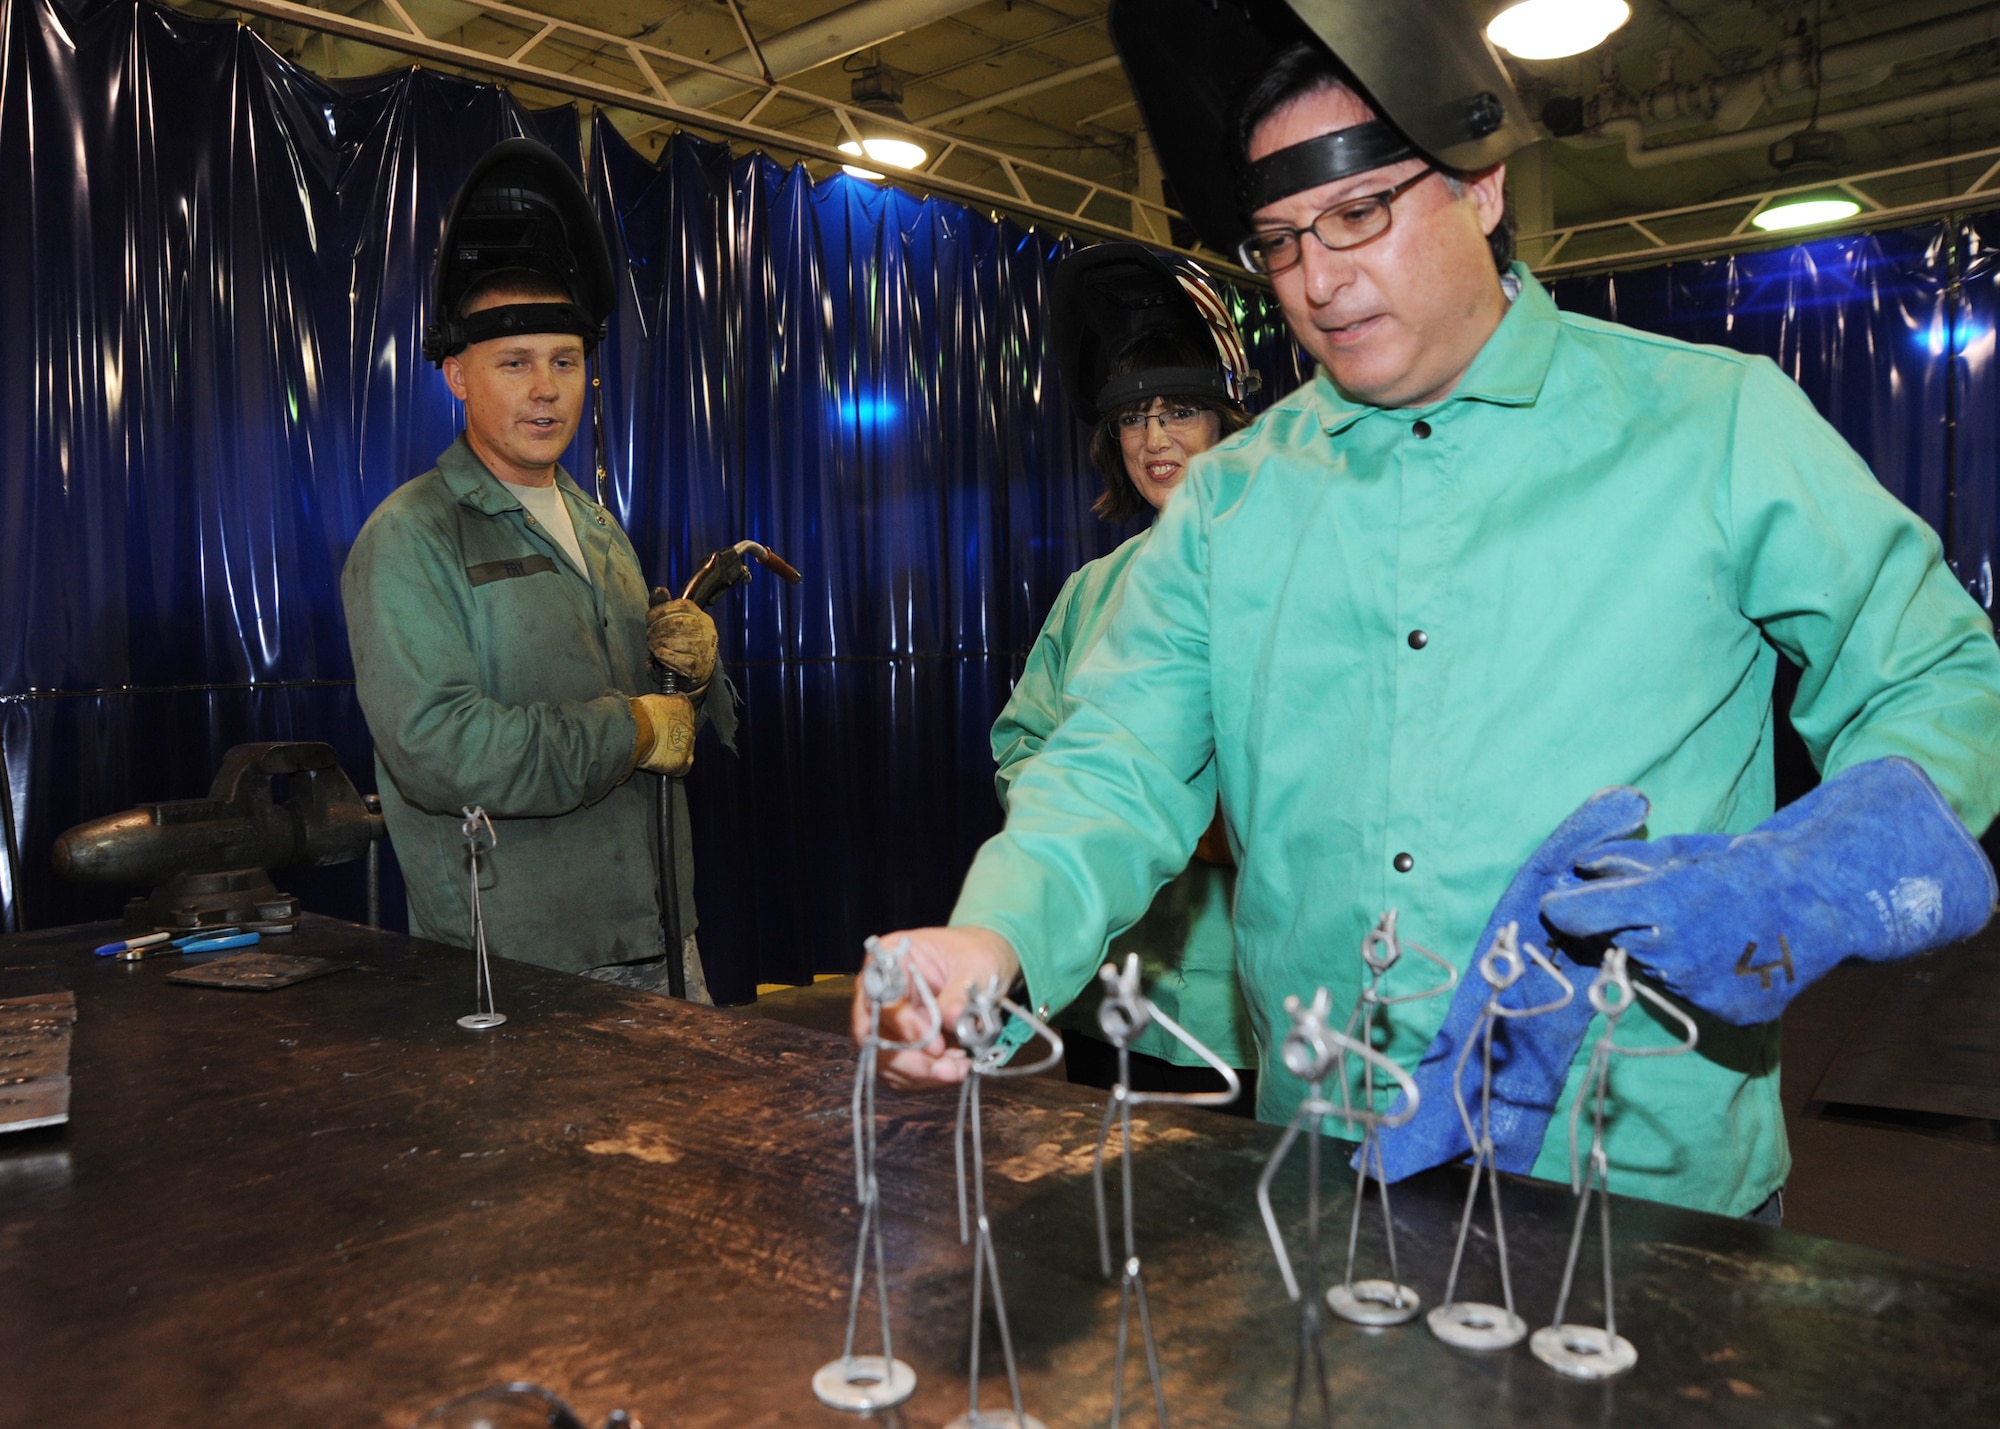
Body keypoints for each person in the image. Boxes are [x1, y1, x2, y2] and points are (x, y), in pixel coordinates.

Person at [853, 0, 2000, 1220]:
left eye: (1358, 214)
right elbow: (1115, 759)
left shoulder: (1714, 426)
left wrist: (1818, 867)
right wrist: (995, 940)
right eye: (1278, 242)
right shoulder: (1232, 503)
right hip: (1329, 1161)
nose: (1319, 280)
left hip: (1637, 1173)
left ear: (1481, 185)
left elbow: (1930, 675)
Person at [343, 138, 718, 995]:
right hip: (518, 964)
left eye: (566, 360)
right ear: (457, 376)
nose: (546, 388)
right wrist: (628, 731)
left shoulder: (598, 526)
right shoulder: (411, 536)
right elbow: (438, 749)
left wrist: (696, 675)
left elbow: (666, 718)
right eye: (515, 363)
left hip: (663, 934)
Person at [993, 244, 1258, 1103]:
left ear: (1224, 422)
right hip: (1111, 994)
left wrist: (1212, 826)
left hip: (1243, 1011)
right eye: (1134, 418)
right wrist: (1084, 809)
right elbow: (1022, 740)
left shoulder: (1287, 573)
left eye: (1178, 412)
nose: (1154, 440)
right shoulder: (1089, 591)